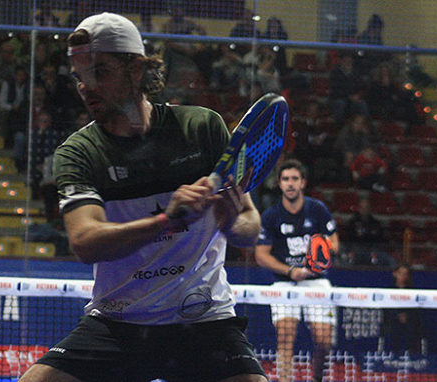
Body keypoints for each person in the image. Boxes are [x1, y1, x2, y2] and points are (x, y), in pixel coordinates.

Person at [18, 12, 267, 382]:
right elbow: (85, 242)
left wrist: (230, 220)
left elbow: (250, 228)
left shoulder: (202, 128)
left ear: (136, 70)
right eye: (79, 76)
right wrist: (168, 219)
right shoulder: (80, 152)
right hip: (118, 323)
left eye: (99, 72)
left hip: (203, 320)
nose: (85, 86)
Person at [254, 159, 339, 382]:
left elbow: (335, 244)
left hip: (316, 281)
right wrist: (291, 271)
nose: (290, 184)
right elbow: (261, 255)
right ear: (279, 183)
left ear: (303, 183)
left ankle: (317, 379)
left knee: (324, 341)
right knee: (285, 337)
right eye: (285, 179)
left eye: (294, 179)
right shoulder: (271, 216)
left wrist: (315, 261)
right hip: (285, 283)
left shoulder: (318, 209)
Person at [381, 264, 425, 354]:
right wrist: (397, 315)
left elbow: (416, 310)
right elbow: (386, 309)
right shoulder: (389, 291)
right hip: (392, 322)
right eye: (401, 273)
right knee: (391, 329)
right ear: (395, 274)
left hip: (410, 323)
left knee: (414, 328)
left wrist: (407, 316)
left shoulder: (413, 291)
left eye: (406, 274)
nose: (403, 276)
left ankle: (412, 354)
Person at [344, 197, 392, 266]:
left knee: (385, 258)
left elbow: (379, 238)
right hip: (357, 249)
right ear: (358, 208)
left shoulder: (376, 223)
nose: (364, 210)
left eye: (366, 207)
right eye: (362, 207)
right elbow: (349, 238)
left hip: (373, 249)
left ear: (370, 208)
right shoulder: (352, 223)